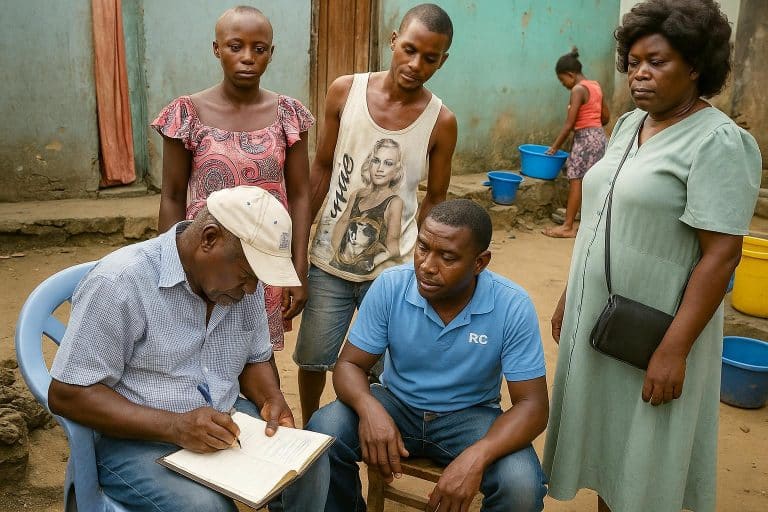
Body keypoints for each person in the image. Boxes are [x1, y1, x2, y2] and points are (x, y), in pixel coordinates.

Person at [543, 2, 762, 512]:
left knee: (641, 455)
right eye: (635, 60)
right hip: (599, 317)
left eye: (657, 61)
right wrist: (570, 296)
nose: (640, 72)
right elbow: (599, 218)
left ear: (695, 66)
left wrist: (673, 349)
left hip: (657, 329)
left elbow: (722, 256)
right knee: (607, 444)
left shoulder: (719, 143)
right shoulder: (629, 125)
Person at [47, 186, 327, 512]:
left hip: (225, 423)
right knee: (206, 507)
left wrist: (270, 398)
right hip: (134, 441)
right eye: (246, 275)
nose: (252, 289)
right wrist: (175, 426)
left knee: (311, 468)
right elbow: (66, 393)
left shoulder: (242, 287)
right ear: (209, 238)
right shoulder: (120, 282)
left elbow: (255, 359)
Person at [306, 199, 550, 512]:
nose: (427, 265)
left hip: (471, 416)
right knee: (324, 432)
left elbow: (533, 405)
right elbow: (350, 364)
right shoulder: (391, 286)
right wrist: (370, 408)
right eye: (422, 247)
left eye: (447, 257)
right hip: (396, 404)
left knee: (522, 488)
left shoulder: (512, 305)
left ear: (480, 262)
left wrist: (480, 454)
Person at [295, 3, 458, 425]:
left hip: (391, 271)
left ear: (444, 61)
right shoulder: (344, 91)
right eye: (409, 50)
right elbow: (323, 168)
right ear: (393, 40)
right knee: (313, 359)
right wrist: (298, 247)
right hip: (328, 262)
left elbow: (435, 199)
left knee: (380, 370)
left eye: (430, 58)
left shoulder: (441, 122)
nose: (416, 64)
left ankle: (359, 441)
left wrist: (422, 261)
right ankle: (312, 437)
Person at [151, 6, 313, 353]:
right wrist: (170, 267)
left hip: (267, 256)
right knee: (198, 349)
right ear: (216, 49)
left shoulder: (288, 114)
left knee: (257, 354)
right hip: (206, 256)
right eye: (235, 46)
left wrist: (298, 268)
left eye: (259, 49)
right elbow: (172, 195)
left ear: (271, 53)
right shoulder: (187, 113)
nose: (247, 58)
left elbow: (300, 195)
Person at [543, 47, 609, 238]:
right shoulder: (595, 86)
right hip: (598, 137)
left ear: (570, 75)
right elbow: (605, 116)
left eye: (562, 80)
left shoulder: (578, 89)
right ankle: (590, 224)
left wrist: (554, 148)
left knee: (576, 180)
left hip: (585, 138)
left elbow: (569, 124)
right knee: (592, 180)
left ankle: (568, 226)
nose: (564, 85)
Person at [329, 138, 405, 274]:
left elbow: (393, 247)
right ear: (369, 163)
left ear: (396, 170)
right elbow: (341, 224)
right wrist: (338, 257)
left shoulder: (394, 202)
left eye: (388, 163)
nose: (380, 169)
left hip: (366, 271)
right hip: (339, 265)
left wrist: (373, 262)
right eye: (376, 161)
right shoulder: (357, 194)